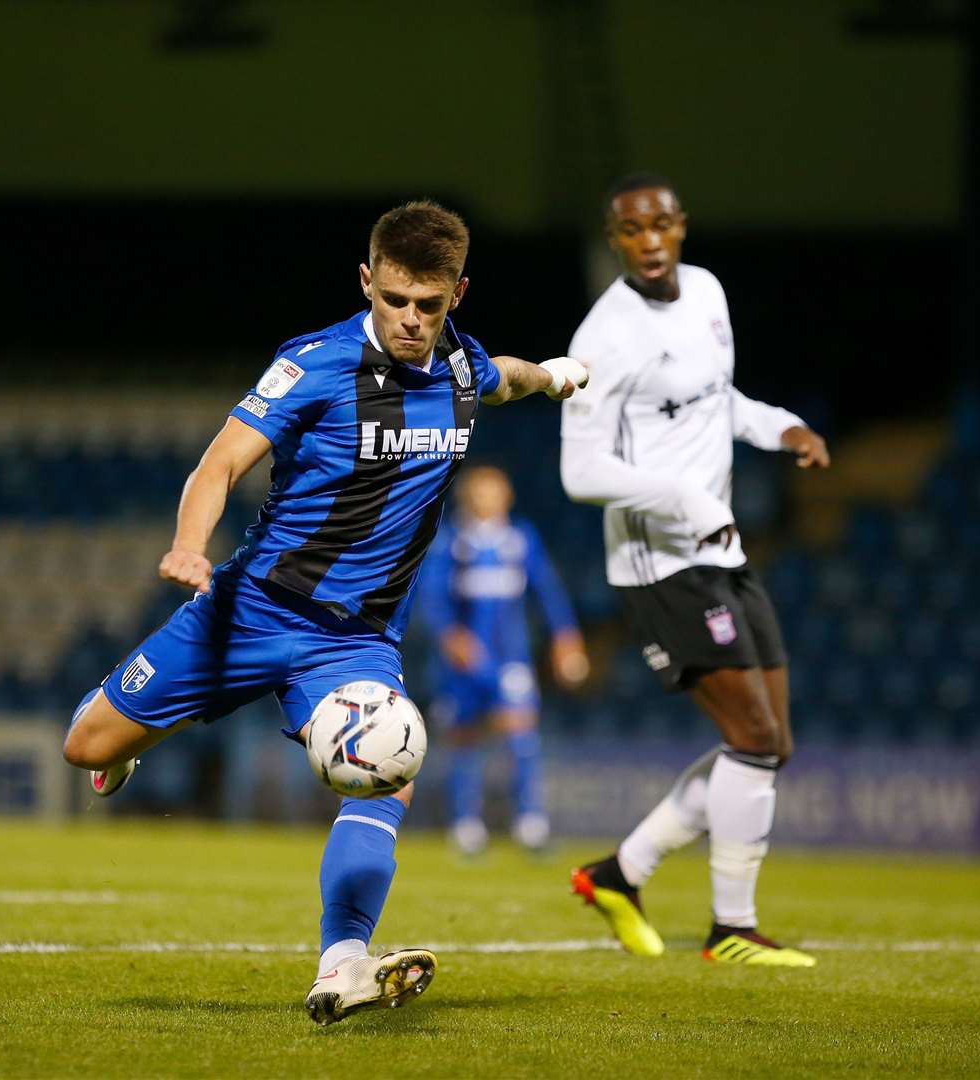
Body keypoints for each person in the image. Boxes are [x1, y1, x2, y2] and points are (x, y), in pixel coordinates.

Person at [61, 200, 589, 1023]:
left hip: (355, 641)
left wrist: (555, 375)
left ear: (458, 296)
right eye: (397, 301)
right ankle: (127, 743)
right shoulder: (315, 364)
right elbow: (220, 462)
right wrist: (188, 547)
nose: (413, 321)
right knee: (83, 745)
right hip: (250, 609)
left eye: (431, 305)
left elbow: (506, 376)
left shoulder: (459, 364)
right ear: (367, 282)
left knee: (390, 772)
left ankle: (343, 961)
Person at [558, 173, 831, 967]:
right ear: (614, 241)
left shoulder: (707, 293)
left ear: (682, 227)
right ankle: (731, 930)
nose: (648, 242)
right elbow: (581, 472)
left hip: (723, 551)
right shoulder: (601, 339)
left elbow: (717, 401)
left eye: (661, 226)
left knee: (769, 744)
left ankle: (619, 874)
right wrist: (680, 496)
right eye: (630, 231)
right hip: (660, 565)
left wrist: (782, 428)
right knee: (750, 736)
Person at [414, 465, 589, 855]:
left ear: (507, 496)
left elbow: (548, 590)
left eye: (494, 491)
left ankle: (530, 823)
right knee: (465, 738)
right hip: (463, 663)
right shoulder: (452, 542)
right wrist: (449, 635)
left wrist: (565, 635)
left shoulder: (520, 539)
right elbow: (431, 597)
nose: (487, 498)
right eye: (480, 491)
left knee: (522, 733)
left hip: (512, 657)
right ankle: (466, 825)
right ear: (467, 496)